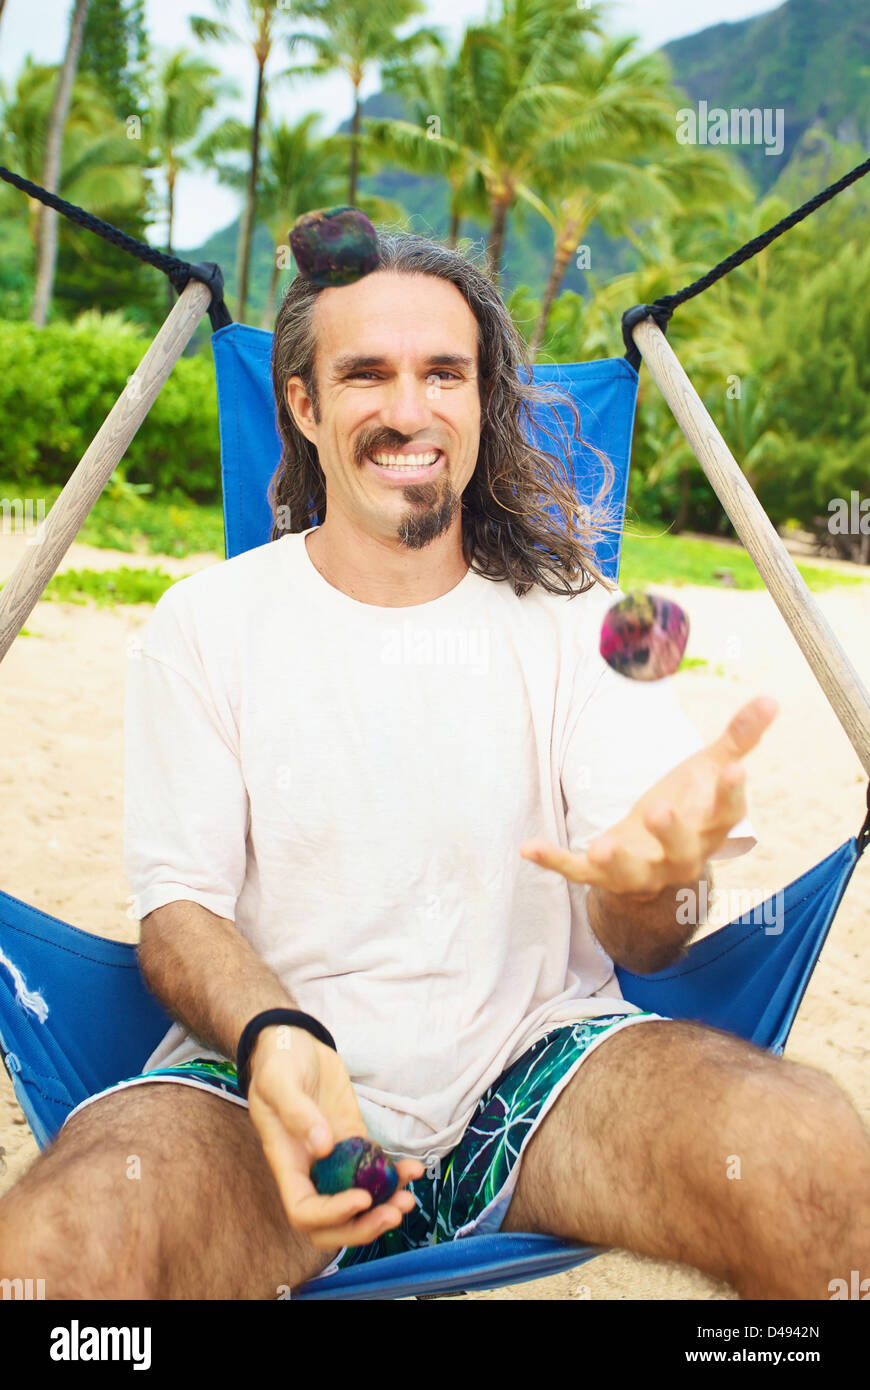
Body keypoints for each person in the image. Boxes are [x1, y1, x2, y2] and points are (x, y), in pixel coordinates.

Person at [2, 232, 868, 1301]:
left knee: (812, 1156)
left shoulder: (580, 620)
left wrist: (659, 883)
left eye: (443, 374)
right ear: (304, 408)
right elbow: (180, 914)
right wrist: (274, 1036)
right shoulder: (207, 624)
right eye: (367, 373)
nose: (409, 411)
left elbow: (648, 931)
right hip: (257, 1082)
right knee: (56, 1259)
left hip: (540, 1075)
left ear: (482, 400)